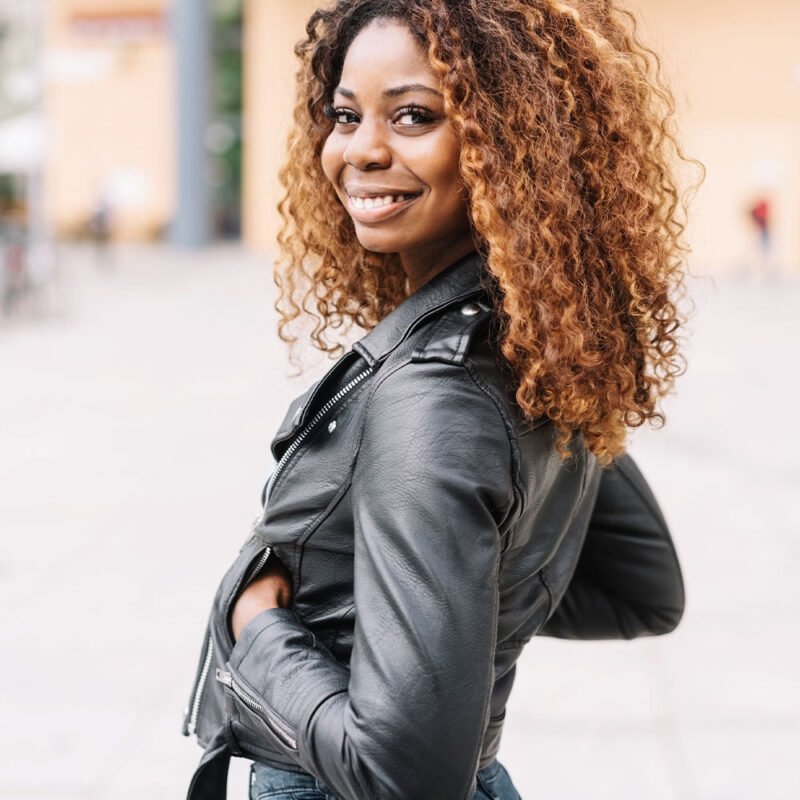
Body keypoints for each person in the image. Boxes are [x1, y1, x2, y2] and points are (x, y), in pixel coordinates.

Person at [183, 1, 693, 798]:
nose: (360, 150)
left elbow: (404, 779)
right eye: (345, 115)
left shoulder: (432, 398)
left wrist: (257, 627)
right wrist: (438, 630)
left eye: (414, 115)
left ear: (512, 149)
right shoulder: (537, 351)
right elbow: (643, 591)